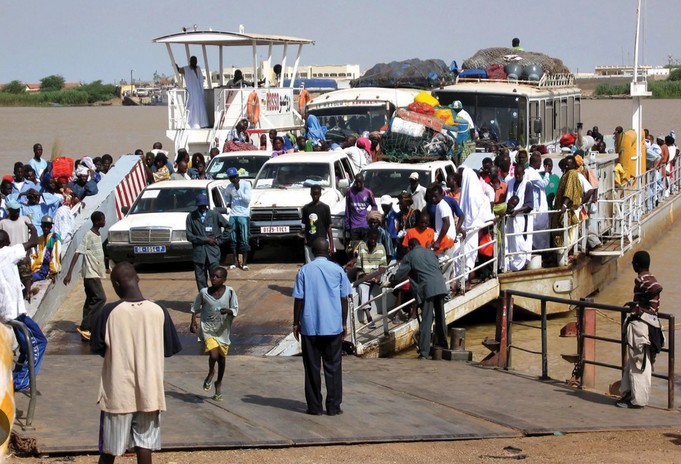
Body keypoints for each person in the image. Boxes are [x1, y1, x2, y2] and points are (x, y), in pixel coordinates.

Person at [91, 262, 182, 464]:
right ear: (138, 278)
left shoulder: (108, 312)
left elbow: (98, 348)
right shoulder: (159, 311)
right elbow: (169, 350)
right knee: (144, 446)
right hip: (150, 393)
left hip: (118, 393)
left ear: (115, 284)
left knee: (109, 450)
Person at [292, 238, 351, 416]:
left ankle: (314, 407)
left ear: (313, 251)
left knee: (312, 368)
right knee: (333, 367)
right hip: (332, 325)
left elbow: (299, 299)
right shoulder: (338, 270)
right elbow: (344, 298)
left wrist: (295, 322)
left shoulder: (304, 270)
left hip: (310, 326)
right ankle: (333, 407)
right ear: (329, 251)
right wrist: (343, 322)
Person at [617, 251, 664, 409]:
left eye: (633, 263)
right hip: (650, 324)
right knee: (636, 361)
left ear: (637, 264)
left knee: (640, 362)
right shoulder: (648, 277)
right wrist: (636, 304)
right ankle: (628, 394)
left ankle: (638, 400)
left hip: (643, 325)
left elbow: (656, 288)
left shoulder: (642, 279)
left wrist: (641, 305)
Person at [389, 238, 448, 359]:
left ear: (410, 247)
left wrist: (391, 281)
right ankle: (442, 345)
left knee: (426, 319)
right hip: (440, 286)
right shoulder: (430, 252)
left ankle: (424, 352)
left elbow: (400, 274)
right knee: (440, 317)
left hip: (427, 288)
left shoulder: (410, 255)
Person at [190, 266, 238, 401]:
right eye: (212, 276)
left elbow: (235, 308)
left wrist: (228, 311)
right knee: (214, 354)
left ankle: (218, 383)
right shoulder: (204, 292)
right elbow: (195, 307)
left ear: (224, 279)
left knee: (222, 359)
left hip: (223, 330)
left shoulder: (230, 292)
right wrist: (193, 321)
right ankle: (211, 372)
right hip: (208, 329)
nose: (214, 279)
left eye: (217, 277)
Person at [63, 211, 107, 342]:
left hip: (95, 273)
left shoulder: (98, 234)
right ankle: (86, 326)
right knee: (100, 298)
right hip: (90, 274)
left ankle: (87, 330)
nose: (105, 221)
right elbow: (77, 252)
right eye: (103, 219)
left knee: (91, 301)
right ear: (98, 221)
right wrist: (69, 273)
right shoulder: (89, 235)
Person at [185, 193, 231, 290]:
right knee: (200, 279)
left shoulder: (214, 214)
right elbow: (189, 236)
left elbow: (229, 227)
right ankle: (204, 299)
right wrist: (206, 239)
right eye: (200, 205)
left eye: (204, 205)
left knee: (216, 277)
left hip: (213, 253)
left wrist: (220, 241)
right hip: (199, 254)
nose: (202, 207)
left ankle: (216, 298)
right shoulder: (191, 217)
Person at [505, 164, 534, 271]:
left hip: (522, 219)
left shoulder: (528, 185)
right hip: (510, 219)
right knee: (510, 241)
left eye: (519, 174)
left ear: (523, 173)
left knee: (521, 242)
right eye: (516, 174)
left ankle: (521, 265)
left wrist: (517, 211)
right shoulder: (510, 182)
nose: (517, 176)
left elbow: (530, 205)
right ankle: (510, 264)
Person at [224, 167, 252, 270]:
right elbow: (226, 195)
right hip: (233, 214)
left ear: (238, 176)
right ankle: (235, 262)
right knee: (233, 238)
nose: (233, 180)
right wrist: (228, 203)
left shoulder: (246, 184)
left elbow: (247, 200)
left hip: (244, 214)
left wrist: (238, 189)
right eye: (231, 178)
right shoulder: (229, 187)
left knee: (244, 238)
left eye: (235, 177)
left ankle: (244, 263)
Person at [301, 185, 334, 263]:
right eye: (313, 194)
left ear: (320, 194)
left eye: (317, 194)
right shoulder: (306, 208)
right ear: (310, 194)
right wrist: (305, 240)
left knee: (322, 264)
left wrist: (331, 244)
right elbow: (305, 226)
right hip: (310, 243)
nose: (315, 196)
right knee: (310, 264)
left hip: (322, 243)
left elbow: (328, 226)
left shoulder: (325, 208)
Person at [176, 56, 209, 129]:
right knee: (192, 107)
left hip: (199, 91)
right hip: (192, 92)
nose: (194, 62)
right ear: (190, 61)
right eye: (193, 61)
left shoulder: (198, 68)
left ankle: (202, 123)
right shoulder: (186, 69)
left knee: (201, 107)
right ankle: (193, 123)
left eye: (195, 61)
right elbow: (179, 70)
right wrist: (175, 66)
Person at [345, 173, 377, 244]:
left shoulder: (368, 193)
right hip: (354, 226)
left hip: (365, 225)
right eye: (357, 182)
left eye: (360, 182)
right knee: (354, 248)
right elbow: (347, 209)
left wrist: (370, 217)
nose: (358, 184)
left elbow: (374, 206)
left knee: (364, 247)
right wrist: (347, 224)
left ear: (363, 182)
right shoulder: (349, 192)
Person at [30, 215, 61, 282]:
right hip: (36, 269)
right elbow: (35, 255)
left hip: (45, 271)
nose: (46, 228)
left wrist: (53, 271)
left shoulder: (54, 238)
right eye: (44, 226)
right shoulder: (39, 239)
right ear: (41, 226)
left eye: (48, 226)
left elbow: (56, 255)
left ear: (51, 227)